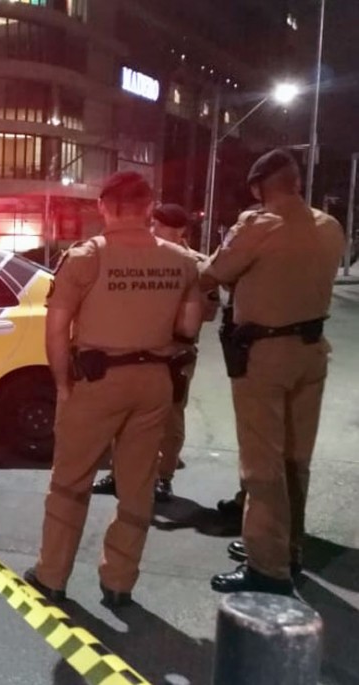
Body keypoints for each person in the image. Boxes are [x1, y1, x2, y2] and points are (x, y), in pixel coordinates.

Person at [24, 172, 204, 607]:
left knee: (71, 480)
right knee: (137, 484)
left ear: (104, 207)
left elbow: (56, 327)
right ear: (148, 207)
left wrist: (63, 383)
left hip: (97, 381)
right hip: (155, 382)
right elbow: (189, 326)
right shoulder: (182, 261)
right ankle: (119, 581)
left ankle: (52, 576)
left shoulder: (87, 257)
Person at [204, 149, 344, 595]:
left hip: (266, 356)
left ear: (259, 187)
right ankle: (290, 550)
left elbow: (215, 272)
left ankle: (267, 567)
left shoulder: (258, 225)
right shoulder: (329, 226)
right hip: (311, 352)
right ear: (297, 182)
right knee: (295, 461)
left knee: (261, 466)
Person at [90, 204, 221, 502]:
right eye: (153, 226)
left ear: (178, 231)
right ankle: (119, 473)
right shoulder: (137, 257)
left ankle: (163, 477)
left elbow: (209, 311)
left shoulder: (197, 265)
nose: (153, 232)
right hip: (131, 347)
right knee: (123, 414)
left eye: (159, 227)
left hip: (175, 351)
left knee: (171, 417)